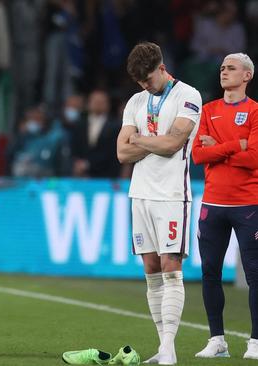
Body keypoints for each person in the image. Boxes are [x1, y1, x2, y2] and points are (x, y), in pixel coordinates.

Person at [116, 42, 202, 365]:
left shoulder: (188, 96)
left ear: (162, 68)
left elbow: (173, 144)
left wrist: (138, 138)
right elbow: (121, 153)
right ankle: (165, 348)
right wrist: (148, 142)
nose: (145, 87)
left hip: (171, 195)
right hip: (140, 194)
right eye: (140, 83)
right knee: (151, 269)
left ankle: (168, 347)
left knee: (171, 268)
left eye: (149, 80)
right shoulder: (136, 100)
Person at [191, 53, 258, 360]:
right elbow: (198, 156)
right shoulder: (209, 110)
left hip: (248, 204)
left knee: (255, 273)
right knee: (210, 272)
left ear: (247, 76)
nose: (224, 71)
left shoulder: (255, 111)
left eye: (231, 68)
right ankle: (217, 339)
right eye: (221, 68)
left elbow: (254, 158)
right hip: (213, 204)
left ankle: (256, 341)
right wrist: (236, 145)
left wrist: (216, 147)